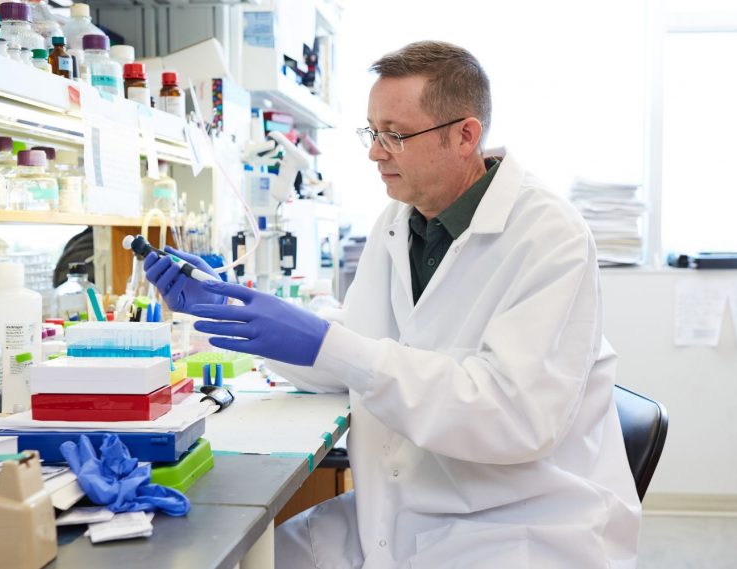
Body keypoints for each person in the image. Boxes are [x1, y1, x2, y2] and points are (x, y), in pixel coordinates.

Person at [144, 40, 640, 568]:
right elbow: (358, 357)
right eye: (372, 132)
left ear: (465, 135)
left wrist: (326, 342)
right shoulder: (400, 221)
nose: (375, 152)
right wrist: (229, 308)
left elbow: (514, 416)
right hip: (399, 513)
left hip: (517, 525)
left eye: (395, 135)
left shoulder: (549, 235)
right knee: (237, 558)